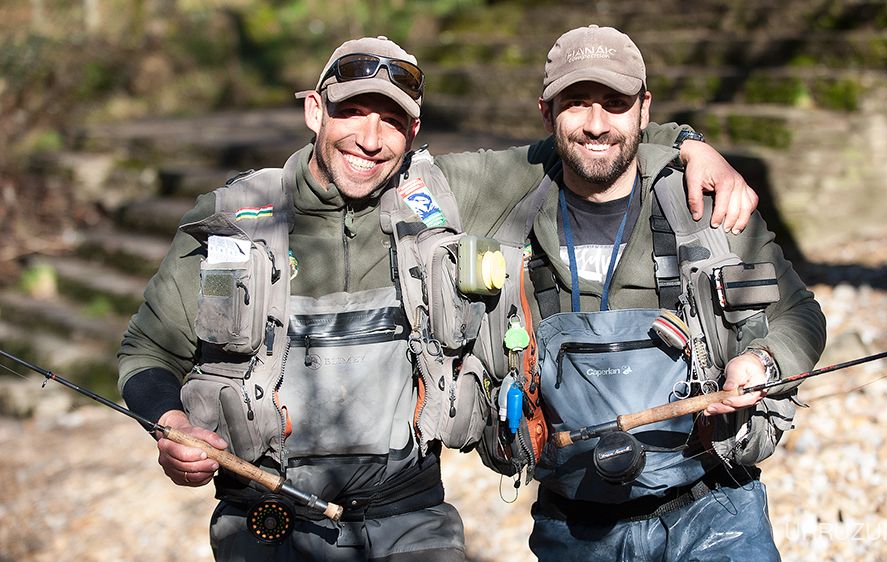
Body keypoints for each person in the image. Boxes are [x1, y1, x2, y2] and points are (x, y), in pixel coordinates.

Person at [116, 34, 759, 560]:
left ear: (414, 130)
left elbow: (591, 140)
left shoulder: (444, 192)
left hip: (412, 517)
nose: (370, 138)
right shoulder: (233, 216)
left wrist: (689, 142)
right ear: (315, 110)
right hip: (266, 515)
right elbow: (147, 350)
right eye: (352, 111)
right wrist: (168, 421)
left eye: (392, 120)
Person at [443, 25, 827, 561]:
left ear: (644, 110)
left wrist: (762, 361)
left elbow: (802, 314)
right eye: (576, 104)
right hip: (573, 523)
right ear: (546, 112)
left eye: (616, 103)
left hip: (714, 507)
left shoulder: (705, 203)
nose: (597, 124)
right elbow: (380, 164)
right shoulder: (503, 189)